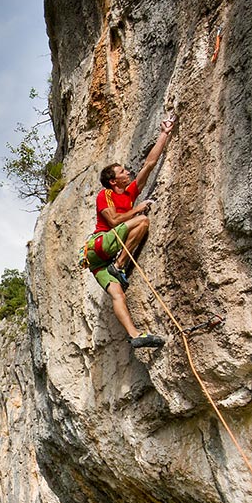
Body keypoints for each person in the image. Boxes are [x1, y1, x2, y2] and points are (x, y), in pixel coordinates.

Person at [81, 115, 175, 349]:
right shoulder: (106, 195)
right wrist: (138, 209)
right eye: (122, 172)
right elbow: (112, 221)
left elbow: (149, 165)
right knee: (142, 220)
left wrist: (164, 133)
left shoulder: (130, 192)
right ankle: (120, 265)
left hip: (99, 262)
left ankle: (135, 335)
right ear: (113, 181)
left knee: (117, 293)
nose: (127, 172)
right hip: (99, 246)